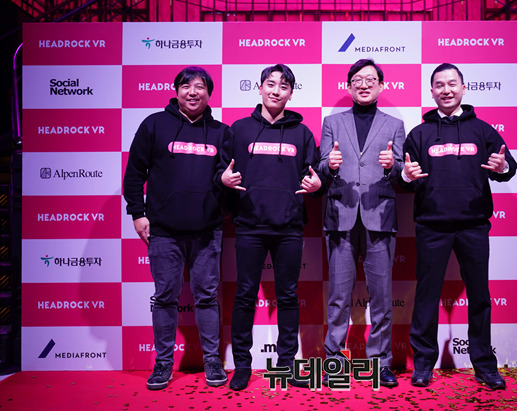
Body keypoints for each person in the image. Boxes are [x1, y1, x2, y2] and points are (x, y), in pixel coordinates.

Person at [402, 63, 517, 390]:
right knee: (426, 297)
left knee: (479, 296)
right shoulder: (419, 134)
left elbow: (507, 167)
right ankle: (423, 364)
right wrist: (406, 176)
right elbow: (407, 177)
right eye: (439, 85)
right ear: (432, 92)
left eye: (452, 83)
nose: (446, 90)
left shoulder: (482, 130)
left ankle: (484, 365)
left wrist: (502, 167)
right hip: (431, 227)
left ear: (464, 89)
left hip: (473, 226)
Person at [218, 64, 324, 391]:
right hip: (249, 226)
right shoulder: (239, 129)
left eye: (283, 86)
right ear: (260, 88)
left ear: (291, 93)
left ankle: (287, 364)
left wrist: (317, 185)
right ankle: (242, 366)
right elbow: (221, 171)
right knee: (245, 295)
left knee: (288, 297)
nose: (276, 90)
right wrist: (222, 178)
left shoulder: (302, 134)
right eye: (271, 84)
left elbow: (313, 176)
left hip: (289, 227)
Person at [123, 66, 228, 390]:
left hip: (208, 232)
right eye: (186, 86)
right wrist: (138, 214)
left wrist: (221, 205)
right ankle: (163, 363)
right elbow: (134, 174)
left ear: (209, 93)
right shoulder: (154, 124)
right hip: (164, 232)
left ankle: (212, 361)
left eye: (199, 87)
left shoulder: (222, 133)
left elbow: (229, 180)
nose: (192, 92)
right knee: (165, 297)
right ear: (177, 91)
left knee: (207, 297)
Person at [318, 59, 405, 388]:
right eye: (357, 79)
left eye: (371, 79)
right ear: (349, 86)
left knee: (381, 297)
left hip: (379, 217)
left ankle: (380, 363)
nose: (364, 84)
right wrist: (329, 164)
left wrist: (393, 166)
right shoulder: (331, 122)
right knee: (339, 297)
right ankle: (334, 361)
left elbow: (403, 174)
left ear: (382, 85)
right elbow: (321, 169)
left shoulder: (395, 125)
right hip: (340, 216)